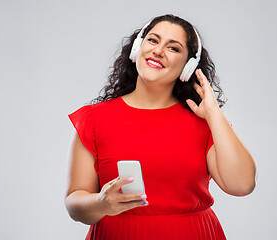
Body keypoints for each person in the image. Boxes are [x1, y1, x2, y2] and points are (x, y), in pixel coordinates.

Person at [65, 14, 256, 240]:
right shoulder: (94, 119)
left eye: (173, 48)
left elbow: (242, 185)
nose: (158, 50)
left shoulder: (206, 124)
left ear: (188, 66)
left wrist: (213, 113)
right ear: (138, 48)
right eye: (153, 40)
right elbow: (74, 201)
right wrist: (102, 203)